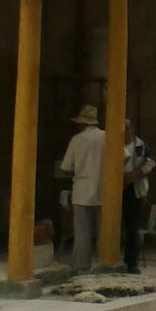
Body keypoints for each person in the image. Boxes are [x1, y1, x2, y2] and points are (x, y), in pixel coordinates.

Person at [57, 105, 105, 273]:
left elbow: (65, 167)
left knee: (82, 232)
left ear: (82, 123)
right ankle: (104, 263)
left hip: (82, 190)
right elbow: (124, 158)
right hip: (103, 189)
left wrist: (78, 169)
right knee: (103, 231)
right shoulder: (107, 137)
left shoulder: (77, 140)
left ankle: (81, 266)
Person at [121, 120, 155, 274]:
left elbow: (151, 163)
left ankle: (131, 263)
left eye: (127, 128)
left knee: (133, 227)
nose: (125, 131)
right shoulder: (114, 144)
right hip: (117, 188)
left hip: (135, 190)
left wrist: (136, 175)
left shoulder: (141, 146)